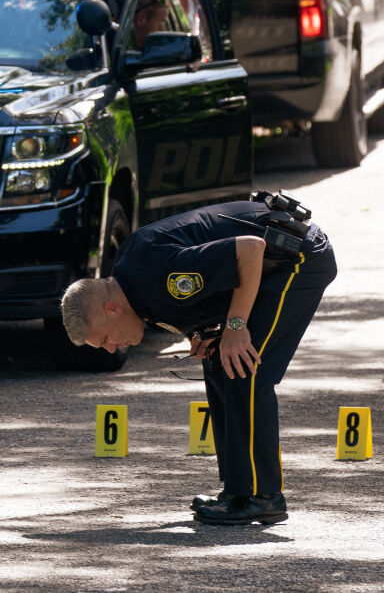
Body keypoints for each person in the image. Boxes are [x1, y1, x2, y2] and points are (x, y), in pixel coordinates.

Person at [58, 197, 336, 526]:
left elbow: (249, 250)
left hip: (299, 256)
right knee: (221, 361)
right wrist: (202, 331)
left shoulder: (160, 275)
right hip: (269, 265)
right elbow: (195, 294)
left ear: (112, 309)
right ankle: (237, 494)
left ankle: (266, 498)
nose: (109, 348)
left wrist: (235, 327)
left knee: (246, 370)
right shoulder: (132, 283)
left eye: (104, 339)